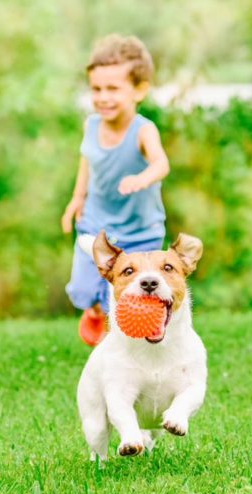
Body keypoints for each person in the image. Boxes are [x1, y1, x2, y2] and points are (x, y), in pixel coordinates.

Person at [62, 34, 170, 346]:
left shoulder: (143, 130)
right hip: (96, 226)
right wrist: (77, 198)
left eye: (113, 89)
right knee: (82, 291)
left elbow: (162, 164)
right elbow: (88, 160)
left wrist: (144, 178)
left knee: (131, 301)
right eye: (96, 89)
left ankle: (123, 348)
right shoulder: (91, 125)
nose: (103, 97)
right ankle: (94, 310)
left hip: (140, 232)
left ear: (139, 89)